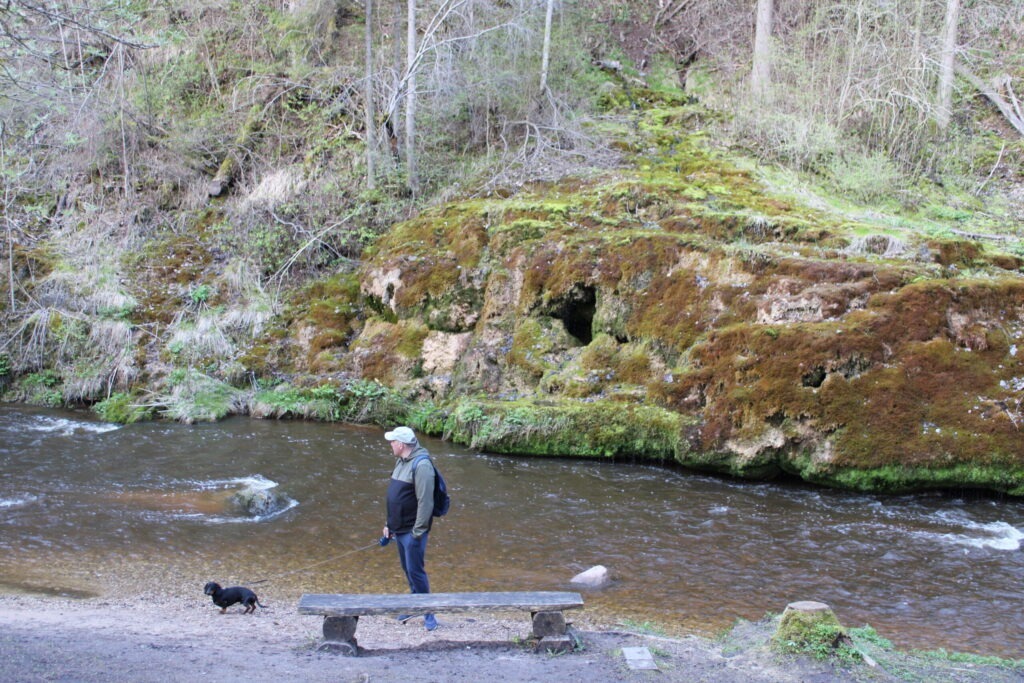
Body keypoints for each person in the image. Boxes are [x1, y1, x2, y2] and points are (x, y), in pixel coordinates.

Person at [381, 426, 438, 631]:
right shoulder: (400, 461)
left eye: (392, 441)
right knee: (408, 569)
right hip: (399, 529)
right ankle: (415, 604)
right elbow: (396, 497)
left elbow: (426, 503)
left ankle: (429, 613)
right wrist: (389, 525)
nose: (390, 445)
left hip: (413, 531)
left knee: (416, 571)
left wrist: (418, 532)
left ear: (401, 444)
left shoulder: (422, 466)